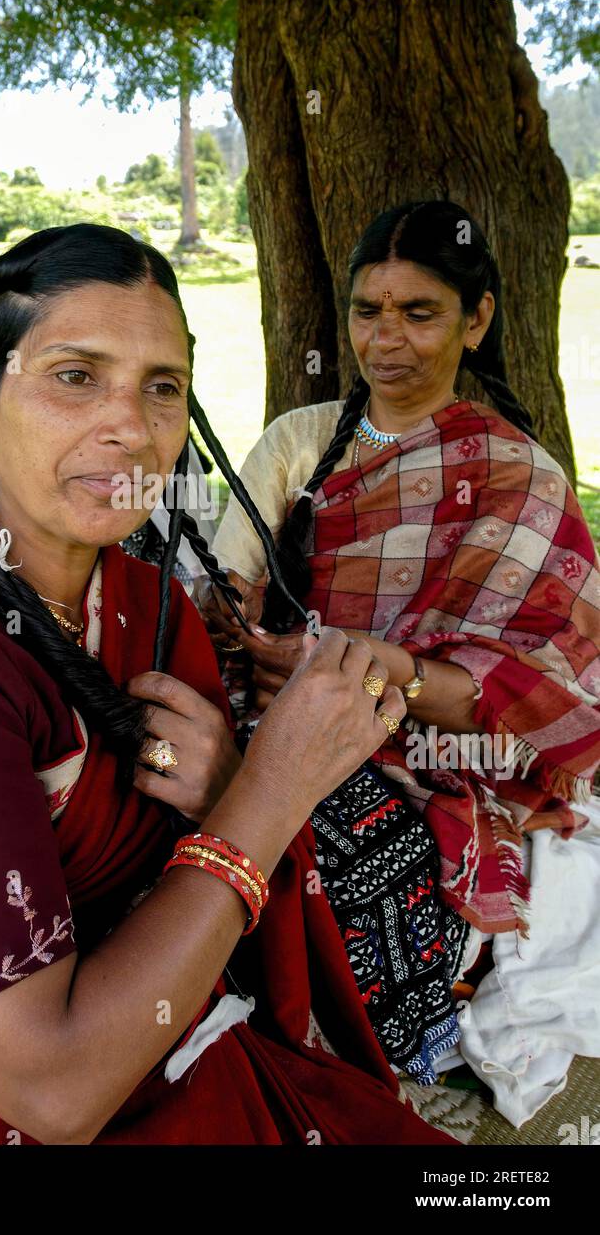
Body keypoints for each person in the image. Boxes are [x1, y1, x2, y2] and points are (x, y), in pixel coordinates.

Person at [0, 223, 454, 1145]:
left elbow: (196, 853)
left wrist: (231, 783)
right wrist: (271, 787)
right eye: (76, 377)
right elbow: (54, 1093)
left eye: (163, 388)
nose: (132, 427)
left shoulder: (146, 601)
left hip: (155, 1024)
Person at [202, 200, 600, 1091]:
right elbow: (222, 595)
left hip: (436, 760)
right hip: (269, 713)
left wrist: (370, 669)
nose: (388, 339)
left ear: (478, 318)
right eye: (368, 311)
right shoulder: (300, 443)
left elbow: (525, 689)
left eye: (420, 313)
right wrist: (245, 635)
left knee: (338, 846)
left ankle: (356, 1040)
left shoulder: (517, 471)